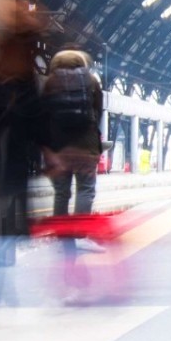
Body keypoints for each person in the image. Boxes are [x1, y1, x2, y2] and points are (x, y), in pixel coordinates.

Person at [40, 49, 103, 225]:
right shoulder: (91, 81)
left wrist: (47, 148)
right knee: (85, 189)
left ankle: (63, 236)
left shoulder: (50, 83)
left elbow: (42, 116)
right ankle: (80, 232)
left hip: (59, 148)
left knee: (61, 193)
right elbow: (98, 111)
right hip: (86, 147)